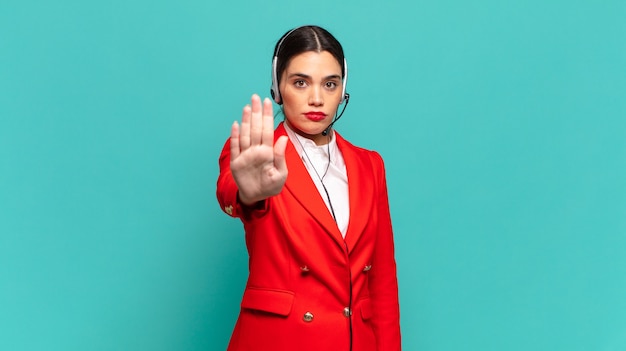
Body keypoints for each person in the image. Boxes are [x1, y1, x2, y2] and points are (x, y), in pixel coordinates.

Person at [216, 25, 401, 351]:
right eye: (300, 83)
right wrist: (250, 194)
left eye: (330, 84)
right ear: (277, 88)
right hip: (279, 341)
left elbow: (382, 283)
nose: (317, 98)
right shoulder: (255, 154)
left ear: (343, 89)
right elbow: (232, 190)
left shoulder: (369, 165)